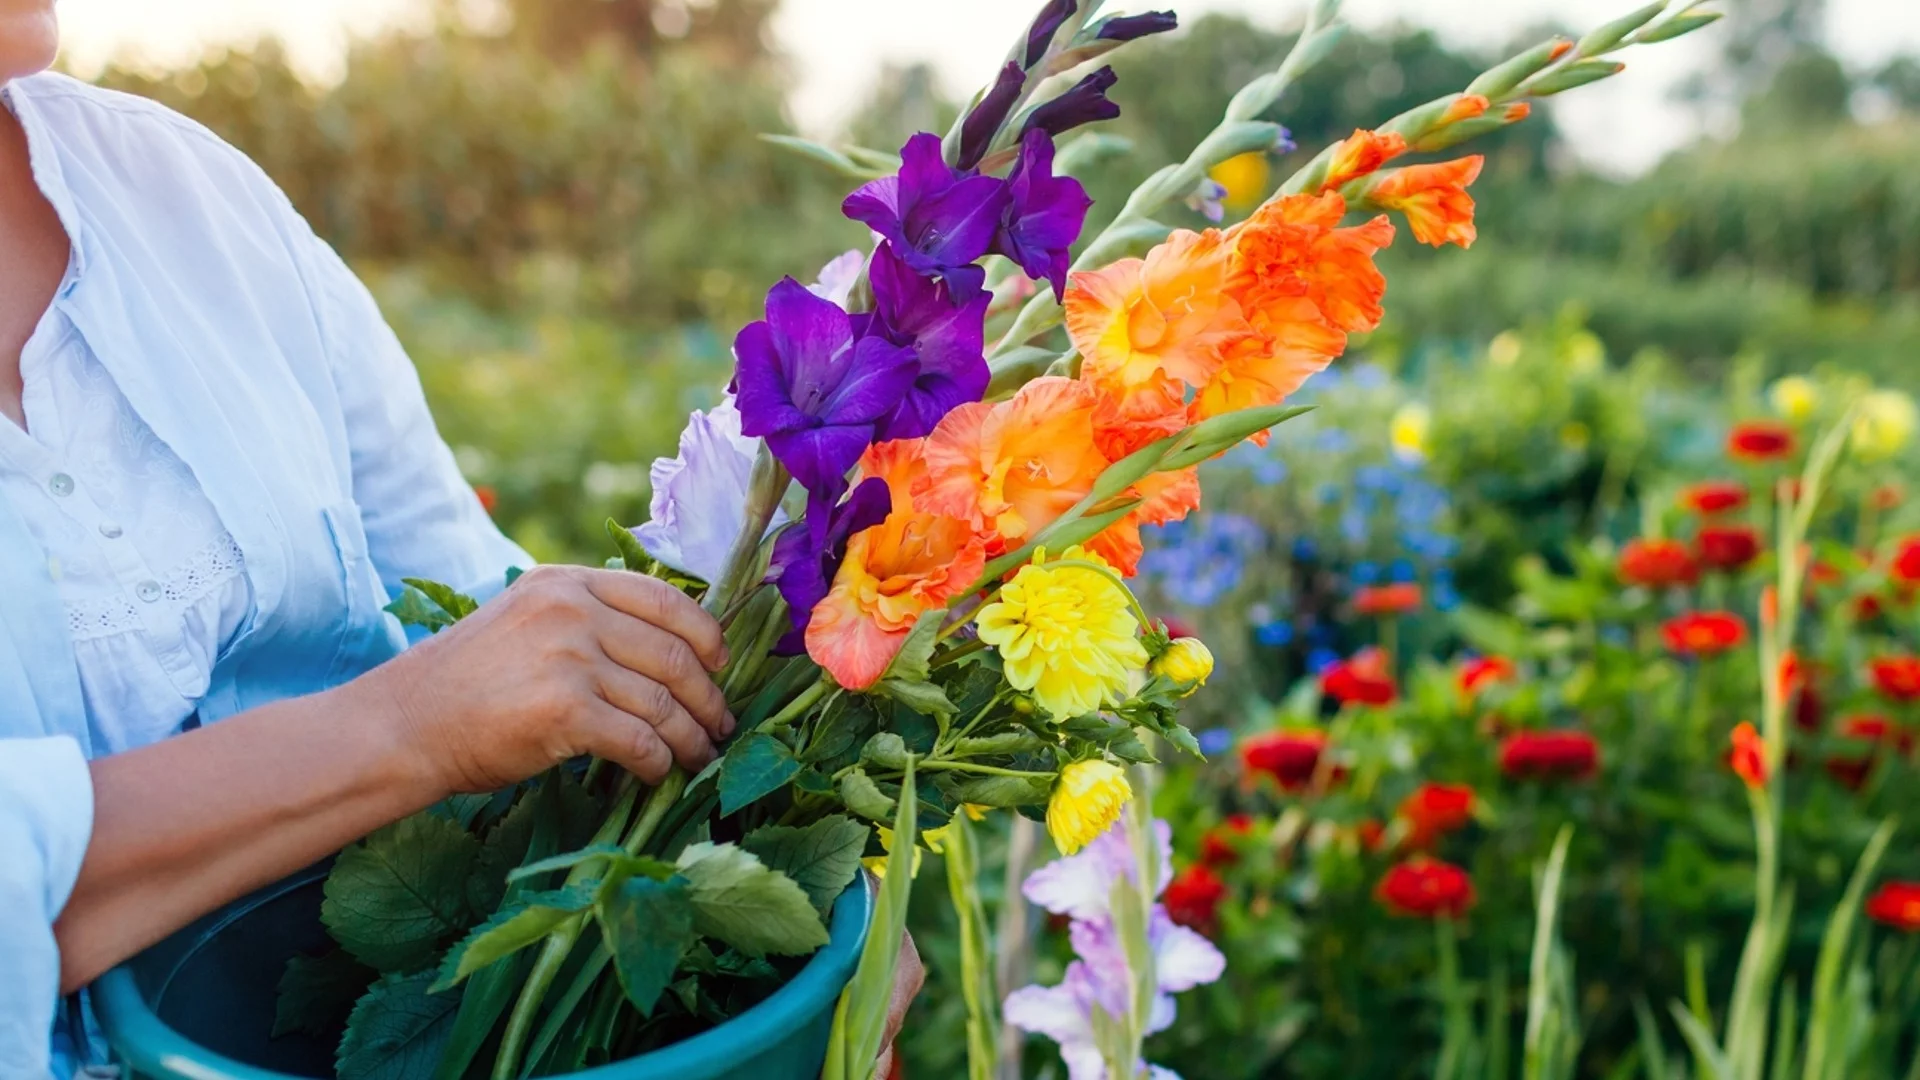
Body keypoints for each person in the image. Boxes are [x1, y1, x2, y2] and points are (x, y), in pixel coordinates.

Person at [0, 5, 918, 1075]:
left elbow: (489, 621)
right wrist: (402, 726)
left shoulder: (189, 201)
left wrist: (800, 895)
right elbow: (451, 699)